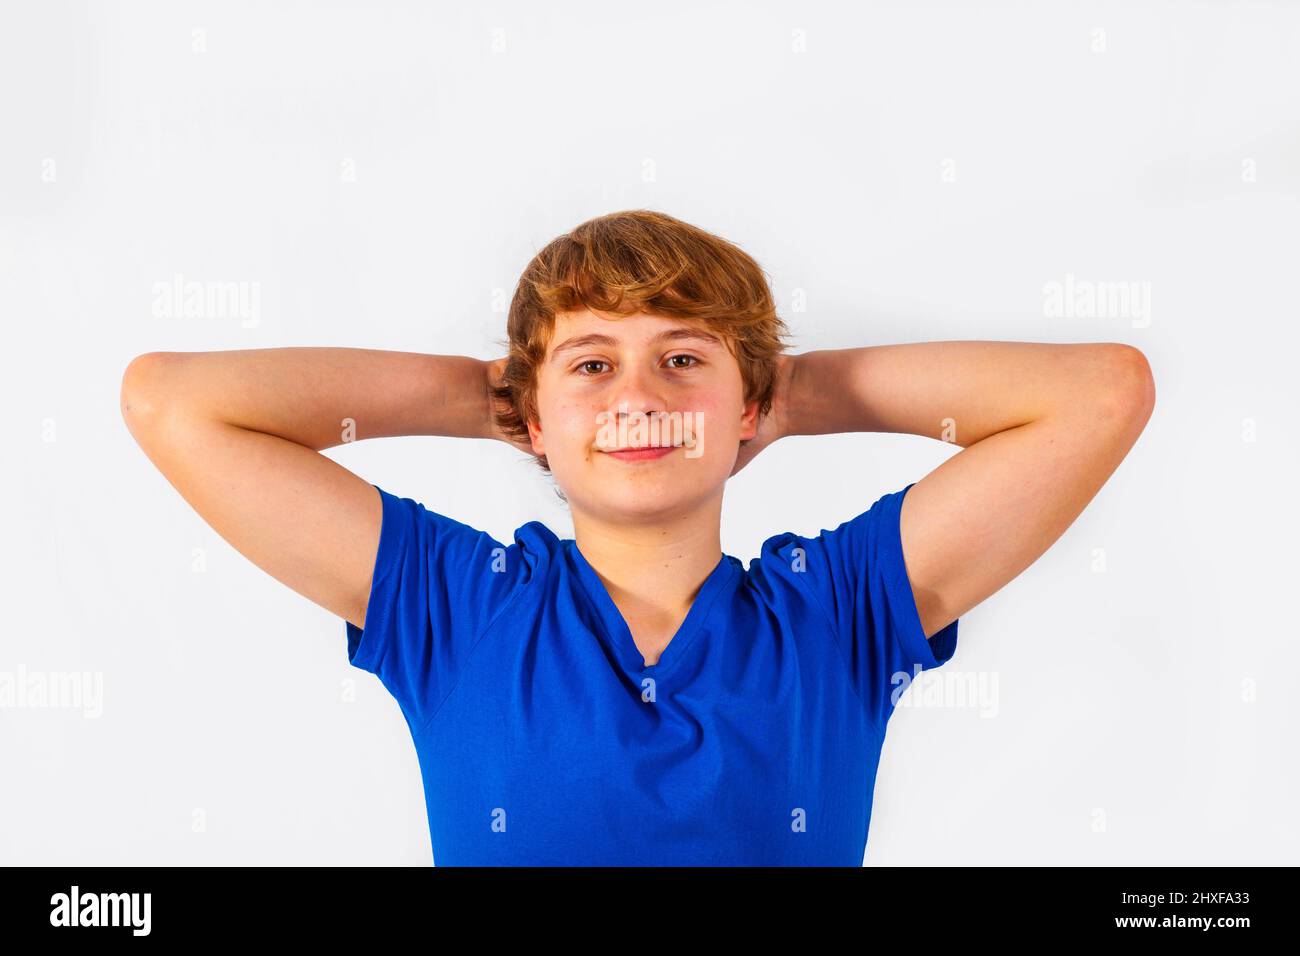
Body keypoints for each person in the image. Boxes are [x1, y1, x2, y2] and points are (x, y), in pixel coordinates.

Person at [119, 209, 1155, 865]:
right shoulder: (460, 604)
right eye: (592, 365)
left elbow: (1099, 393)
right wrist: (503, 398)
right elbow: (171, 402)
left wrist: (784, 393)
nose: (639, 396)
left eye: (683, 360)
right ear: (530, 415)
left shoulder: (839, 611)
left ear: (747, 405)